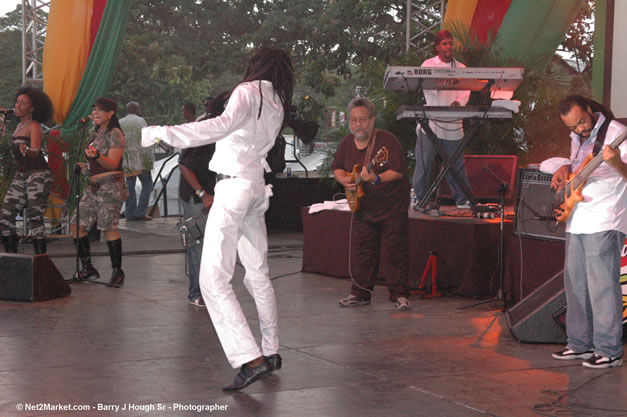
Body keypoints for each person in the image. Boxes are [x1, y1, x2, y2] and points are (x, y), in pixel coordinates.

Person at [142, 47, 293, 390]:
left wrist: (163, 131)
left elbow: (220, 126)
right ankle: (270, 351)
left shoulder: (247, 91)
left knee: (213, 280)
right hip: (255, 188)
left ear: (256, 65)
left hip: (234, 188)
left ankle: (249, 358)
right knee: (257, 275)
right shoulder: (276, 101)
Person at [550, 95, 627, 369]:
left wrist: (616, 162)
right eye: (573, 127)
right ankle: (579, 344)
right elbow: (578, 166)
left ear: (591, 111)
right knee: (576, 287)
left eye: (582, 122)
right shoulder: (578, 137)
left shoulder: (617, 133)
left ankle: (609, 350)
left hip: (605, 220)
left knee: (603, 288)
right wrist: (564, 168)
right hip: (577, 219)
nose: (580, 129)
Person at [331, 97, 412, 311]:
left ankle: (399, 296)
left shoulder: (387, 142)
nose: (358, 124)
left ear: (372, 120)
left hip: (392, 206)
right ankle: (360, 293)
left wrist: (376, 178)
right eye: (354, 120)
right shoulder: (346, 143)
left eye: (363, 120)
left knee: (395, 252)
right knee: (362, 251)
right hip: (364, 208)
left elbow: (397, 172)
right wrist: (346, 180)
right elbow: (337, 167)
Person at [71, 97, 129, 287]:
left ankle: (117, 272)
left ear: (110, 113)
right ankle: (88, 268)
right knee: (75, 224)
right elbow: (98, 164)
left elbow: (112, 163)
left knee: (109, 228)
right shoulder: (96, 133)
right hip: (94, 185)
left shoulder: (115, 133)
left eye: (100, 110)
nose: (95, 113)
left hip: (111, 186)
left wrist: (96, 155)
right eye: (94, 109)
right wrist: (87, 166)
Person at [412, 29, 472, 209]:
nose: (448, 47)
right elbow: (427, 88)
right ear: (437, 47)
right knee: (425, 163)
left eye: (450, 43)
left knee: (456, 164)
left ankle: (462, 200)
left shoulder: (461, 68)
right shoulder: (428, 64)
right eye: (445, 44)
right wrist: (442, 84)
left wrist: (458, 103)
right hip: (431, 122)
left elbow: (466, 91)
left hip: (453, 123)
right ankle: (420, 198)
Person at [0, 86, 54, 254]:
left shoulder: (34, 126)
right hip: (21, 174)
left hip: (38, 174)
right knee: (5, 214)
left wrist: (27, 150)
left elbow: (36, 151)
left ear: (32, 108)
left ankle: (40, 258)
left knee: (34, 215)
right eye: (17, 102)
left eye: (23, 103)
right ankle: (11, 254)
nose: (18, 106)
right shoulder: (17, 127)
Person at [178, 99, 221, 307]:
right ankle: (196, 293)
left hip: (213, 193)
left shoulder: (222, 134)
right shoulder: (204, 133)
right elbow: (184, 166)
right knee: (198, 245)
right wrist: (202, 193)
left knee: (212, 245)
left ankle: (208, 290)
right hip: (196, 196)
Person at [120, 101, 152, 221]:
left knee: (130, 187)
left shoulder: (120, 122)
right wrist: (148, 160)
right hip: (140, 160)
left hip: (126, 160)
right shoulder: (141, 121)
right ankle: (140, 212)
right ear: (137, 109)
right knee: (147, 185)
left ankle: (130, 213)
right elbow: (145, 140)